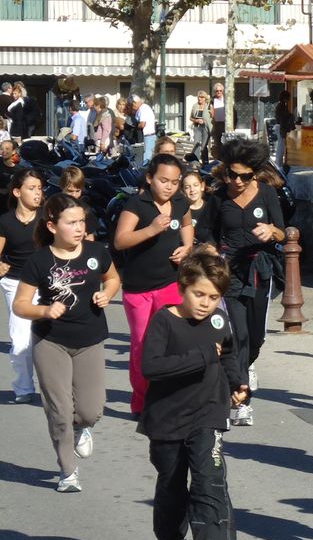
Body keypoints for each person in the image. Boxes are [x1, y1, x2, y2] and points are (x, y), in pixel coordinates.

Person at [139, 246, 245, 540]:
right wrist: (201, 356)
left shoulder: (218, 320)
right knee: (171, 491)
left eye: (213, 297)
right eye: (199, 294)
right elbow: (151, 367)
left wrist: (236, 385)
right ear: (183, 286)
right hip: (167, 419)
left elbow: (228, 352)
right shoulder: (164, 321)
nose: (205, 303)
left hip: (207, 414)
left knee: (209, 482)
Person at [13, 193, 121, 492]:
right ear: (52, 226)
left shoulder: (97, 251)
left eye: (81, 221)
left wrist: (107, 293)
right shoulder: (39, 260)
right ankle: (67, 471)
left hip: (90, 339)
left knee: (91, 409)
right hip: (51, 341)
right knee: (58, 409)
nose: (78, 228)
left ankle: (82, 426)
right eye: (71, 222)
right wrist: (44, 310)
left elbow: (112, 279)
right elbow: (20, 305)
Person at [114, 154, 193, 415]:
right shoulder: (137, 204)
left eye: (174, 181)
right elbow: (120, 241)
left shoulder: (180, 201)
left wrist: (187, 247)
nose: (169, 187)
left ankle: (169, 397)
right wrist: (151, 230)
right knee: (142, 345)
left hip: (170, 282)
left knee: (172, 341)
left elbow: (187, 223)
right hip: (138, 289)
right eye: (163, 180)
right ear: (150, 179)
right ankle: (141, 400)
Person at [213, 137, 284, 426]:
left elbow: (284, 232)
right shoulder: (218, 199)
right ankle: (240, 397)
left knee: (256, 338)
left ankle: (246, 365)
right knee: (238, 336)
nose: (239, 181)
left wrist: (272, 230)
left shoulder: (267, 194)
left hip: (260, 269)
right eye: (233, 174)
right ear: (226, 172)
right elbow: (207, 234)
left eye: (246, 176)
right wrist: (209, 251)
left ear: (254, 173)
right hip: (230, 273)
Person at [0, 168, 45, 403]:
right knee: (21, 340)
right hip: (15, 285)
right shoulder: (5, 222)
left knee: (50, 339)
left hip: (47, 283)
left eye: (39, 188)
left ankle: (54, 387)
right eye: (31, 188)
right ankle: (24, 387)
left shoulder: (47, 219)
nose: (37, 193)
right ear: (17, 192)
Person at [58, 167, 98, 240]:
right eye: (70, 191)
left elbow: (90, 237)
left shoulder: (85, 210)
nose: (74, 195)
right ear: (61, 186)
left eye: (77, 191)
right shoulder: (53, 206)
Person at [182, 169, 218, 245]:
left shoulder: (211, 208)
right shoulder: (182, 210)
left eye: (195, 185)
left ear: (202, 186)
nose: (192, 190)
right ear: (183, 191)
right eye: (187, 187)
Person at [133, 94, 157, 163]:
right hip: (150, 135)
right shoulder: (144, 107)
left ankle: (145, 171)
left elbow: (142, 124)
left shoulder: (142, 109)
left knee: (147, 157)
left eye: (133, 105)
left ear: (135, 103)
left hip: (148, 136)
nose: (133, 107)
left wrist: (136, 126)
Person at [189, 91, 212, 164]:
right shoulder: (195, 106)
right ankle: (195, 163)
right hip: (197, 127)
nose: (200, 99)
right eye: (199, 97)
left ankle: (205, 162)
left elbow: (213, 117)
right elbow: (190, 118)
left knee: (204, 146)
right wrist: (196, 120)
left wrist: (206, 122)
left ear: (205, 98)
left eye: (202, 97)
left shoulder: (209, 106)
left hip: (206, 127)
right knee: (196, 144)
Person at [210, 83, 226, 156]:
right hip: (216, 124)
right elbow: (210, 111)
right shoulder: (212, 100)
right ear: (215, 92)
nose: (219, 92)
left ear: (222, 91)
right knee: (218, 142)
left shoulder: (226, 99)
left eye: (220, 90)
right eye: (217, 91)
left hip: (225, 123)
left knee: (226, 142)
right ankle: (219, 159)